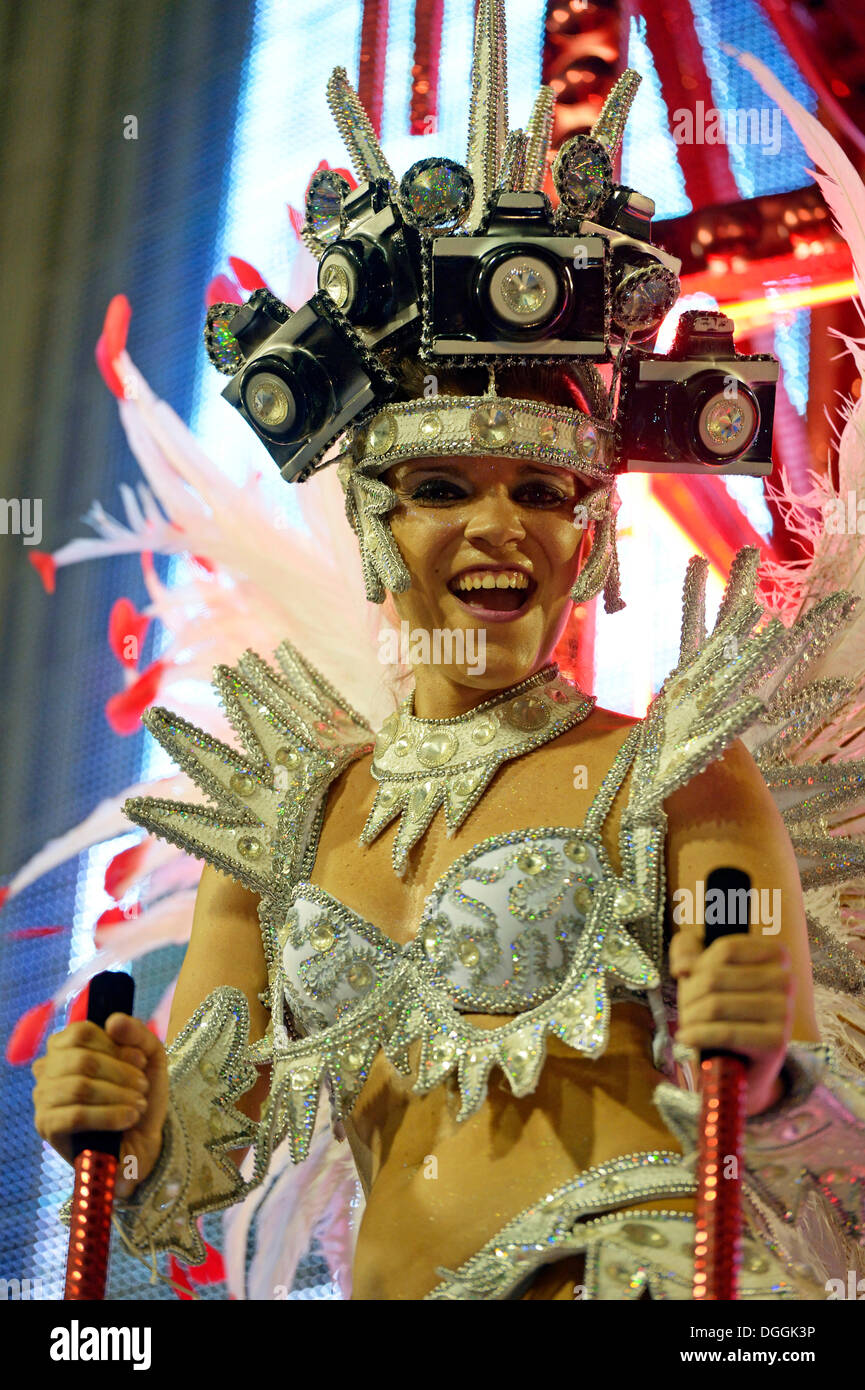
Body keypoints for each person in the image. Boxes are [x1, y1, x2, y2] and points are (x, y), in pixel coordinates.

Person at [31, 4, 865, 1300]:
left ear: (587, 542)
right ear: (370, 521)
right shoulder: (279, 832)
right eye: (439, 486)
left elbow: (816, 1129)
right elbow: (186, 1172)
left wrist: (770, 1064)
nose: (496, 529)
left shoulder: (685, 785)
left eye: (539, 494)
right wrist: (120, 1108)